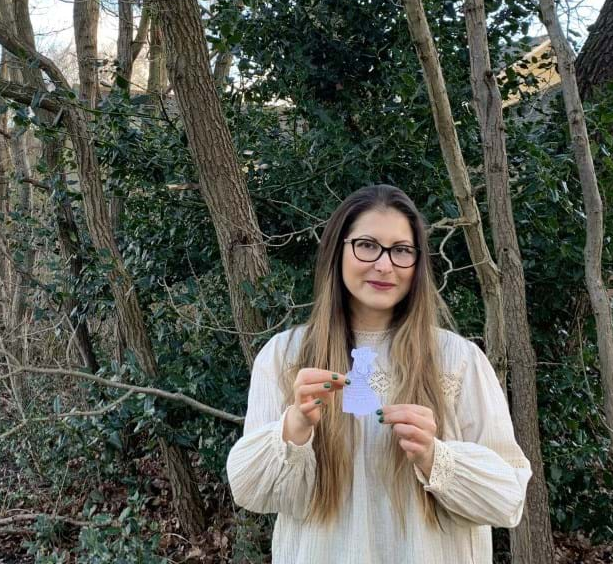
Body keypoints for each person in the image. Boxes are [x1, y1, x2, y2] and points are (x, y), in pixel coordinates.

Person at [226, 184, 531, 563]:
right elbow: (251, 492)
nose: (384, 265)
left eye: (401, 250)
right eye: (367, 245)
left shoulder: (458, 360)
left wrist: (434, 457)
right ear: (338, 251)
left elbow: (508, 499)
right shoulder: (285, 358)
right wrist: (294, 428)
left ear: (418, 263)